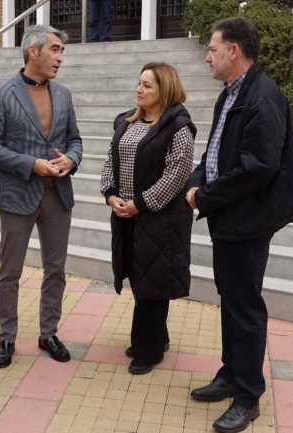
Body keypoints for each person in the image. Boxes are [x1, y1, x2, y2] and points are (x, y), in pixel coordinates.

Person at [185, 17, 293, 433]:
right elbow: (215, 153)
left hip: (248, 219)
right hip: (229, 216)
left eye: (212, 49)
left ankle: (248, 396)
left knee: (245, 306)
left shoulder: (263, 96)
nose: (207, 57)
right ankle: (231, 374)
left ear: (233, 51)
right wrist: (196, 182)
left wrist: (205, 197)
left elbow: (257, 167)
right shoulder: (231, 94)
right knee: (231, 298)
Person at [0, 24, 83, 368]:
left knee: (56, 270)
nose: (60, 57)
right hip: (17, 195)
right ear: (33, 51)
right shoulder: (0, 94)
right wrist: (31, 164)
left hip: (58, 197)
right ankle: (6, 338)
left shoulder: (63, 94)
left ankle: (48, 333)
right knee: (10, 271)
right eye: (55, 49)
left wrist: (72, 159)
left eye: (62, 51)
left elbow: (75, 140)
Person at [100, 62, 196, 375]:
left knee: (153, 281)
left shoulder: (178, 126)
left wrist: (140, 204)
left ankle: (148, 350)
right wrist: (110, 193)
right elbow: (110, 160)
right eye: (139, 83)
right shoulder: (126, 121)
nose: (138, 89)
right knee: (141, 275)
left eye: (147, 85)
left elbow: (177, 175)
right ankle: (157, 337)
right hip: (127, 215)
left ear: (164, 90)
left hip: (160, 218)